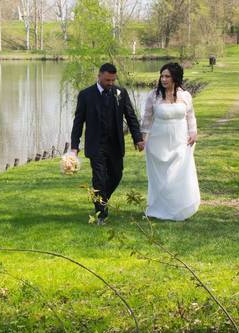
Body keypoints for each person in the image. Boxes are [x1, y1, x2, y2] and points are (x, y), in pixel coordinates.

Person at [70, 63, 144, 223]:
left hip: (115, 144)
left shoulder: (120, 93)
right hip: (95, 145)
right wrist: (74, 147)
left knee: (117, 175)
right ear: (99, 76)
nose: (110, 83)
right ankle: (101, 215)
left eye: (112, 80)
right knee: (99, 179)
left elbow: (131, 117)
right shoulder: (85, 95)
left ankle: (101, 200)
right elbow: (78, 122)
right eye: (107, 80)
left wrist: (138, 138)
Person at [140, 62, 200, 220]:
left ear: (175, 78)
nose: (163, 79)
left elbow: (190, 116)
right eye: (162, 76)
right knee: (161, 177)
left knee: (178, 174)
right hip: (158, 142)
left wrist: (193, 132)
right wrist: (142, 139)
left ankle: (178, 207)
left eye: (167, 76)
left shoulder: (185, 96)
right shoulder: (154, 96)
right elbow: (146, 119)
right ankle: (159, 207)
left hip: (180, 140)